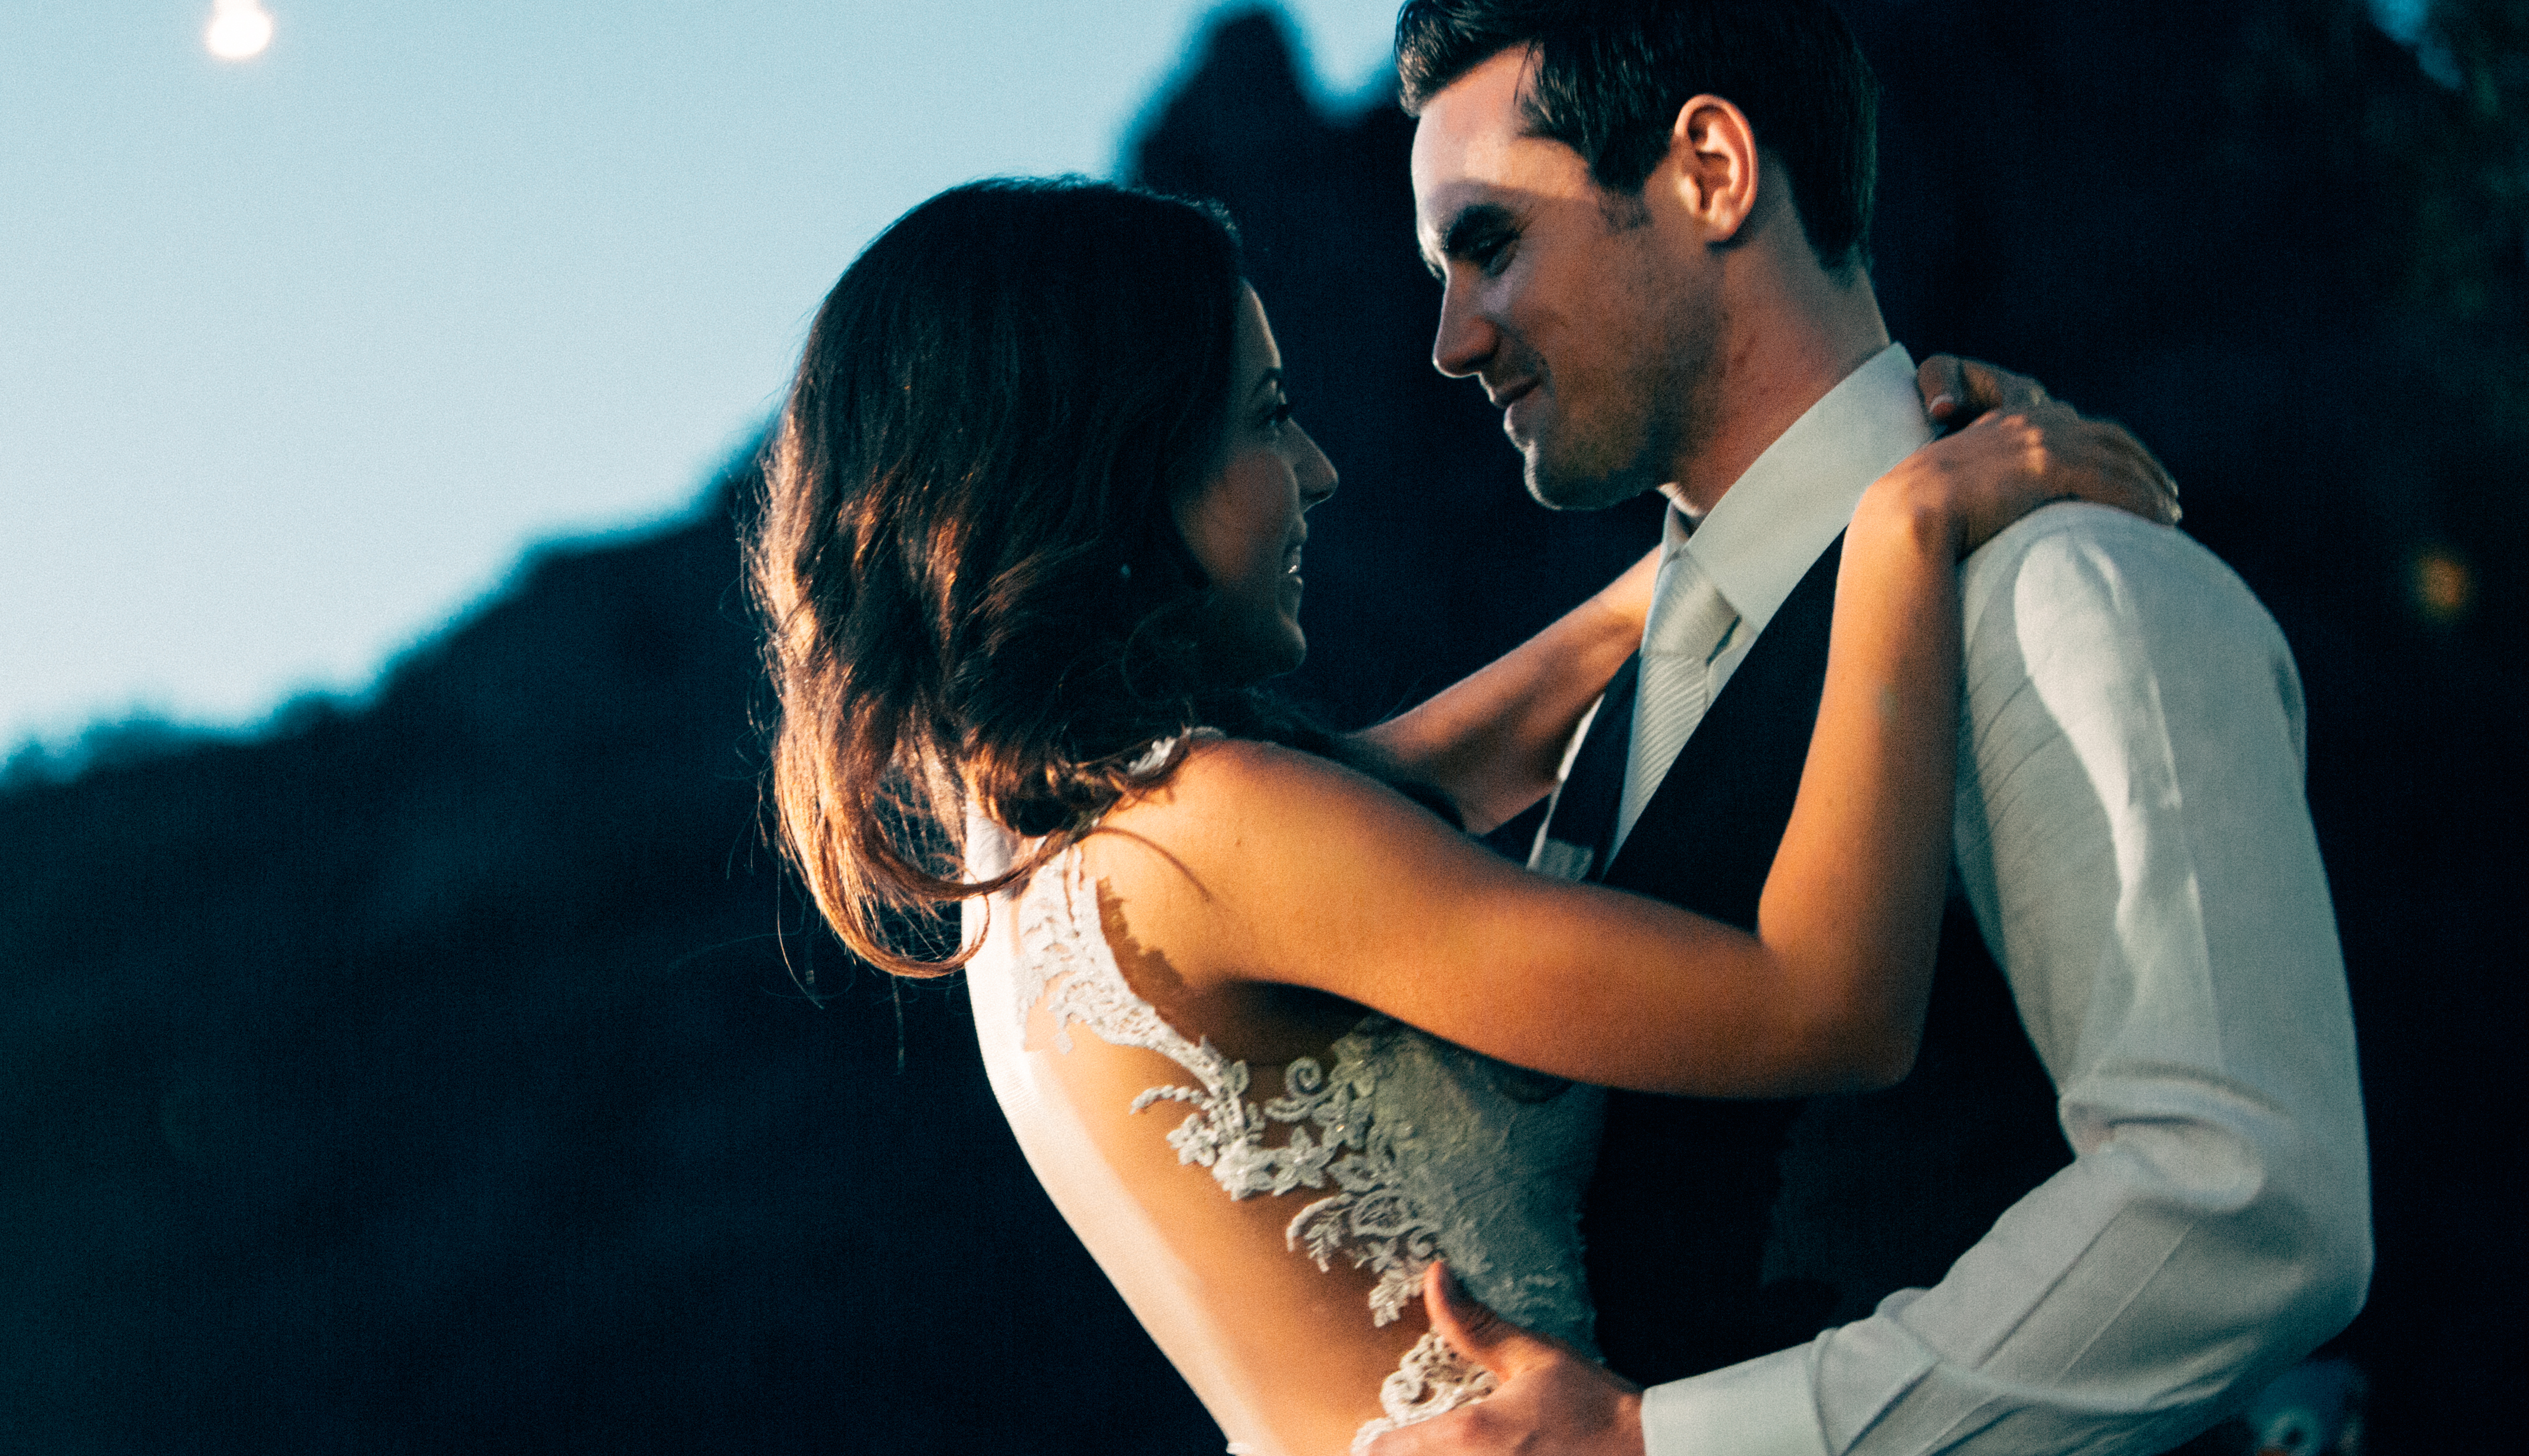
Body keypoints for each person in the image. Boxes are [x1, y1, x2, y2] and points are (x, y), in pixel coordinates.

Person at [747, 176, 2177, 1456]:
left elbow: (1451, 758)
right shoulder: (1222, 828)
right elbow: (1828, 1007)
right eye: (1264, 418)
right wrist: (1902, 542)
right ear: (1109, 477)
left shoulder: (1067, 857)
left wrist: (1816, 477)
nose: (1317, 472)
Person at [1368, 4, 2369, 1455]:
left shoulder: (2059, 588)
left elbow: (2247, 1200)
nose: (1454, 341)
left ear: (1713, 169)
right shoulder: (1628, 701)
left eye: (1490, 246)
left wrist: (1670, 1443)